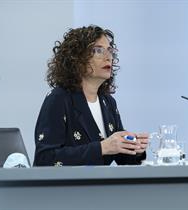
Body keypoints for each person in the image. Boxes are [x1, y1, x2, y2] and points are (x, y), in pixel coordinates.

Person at [33, 25, 148, 166]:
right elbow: (45, 158)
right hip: (69, 187)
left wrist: (135, 148)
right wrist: (102, 147)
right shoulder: (59, 98)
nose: (108, 57)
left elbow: (120, 157)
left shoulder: (108, 102)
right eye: (98, 50)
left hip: (101, 186)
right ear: (77, 58)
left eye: (110, 51)